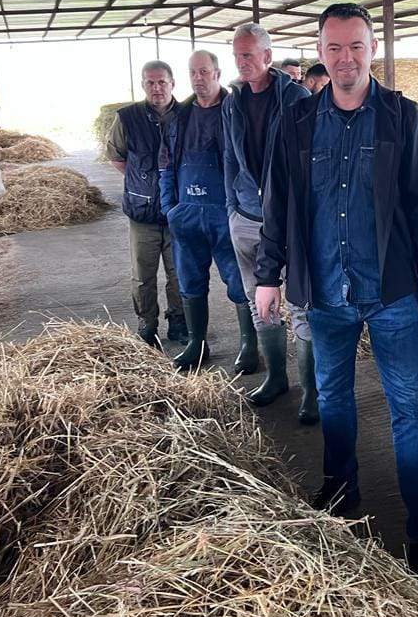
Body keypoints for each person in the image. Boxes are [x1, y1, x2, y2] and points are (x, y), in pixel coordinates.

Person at [254, 2, 418, 581]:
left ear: (373, 49)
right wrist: (268, 274)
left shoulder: (401, 116)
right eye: (334, 47)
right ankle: (340, 488)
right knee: (333, 396)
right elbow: (278, 201)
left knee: (410, 409)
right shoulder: (297, 120)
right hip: (326, 289)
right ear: (320, 53)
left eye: (356, 46)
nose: (345, 58)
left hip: (393, 289)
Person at [223, 24, 318, 424]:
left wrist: (303, 212)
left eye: (248, 55)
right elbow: (229, 157)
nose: (241, 63)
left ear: (267, 55)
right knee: (258, 298)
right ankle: (276, 377)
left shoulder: (296, 97)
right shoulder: (233, 102)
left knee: (300, 302)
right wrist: (232, 206)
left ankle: (311, 390)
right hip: (246, 215)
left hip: (290, 219)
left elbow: (309, 159)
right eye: (237, 56)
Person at [159, 50, 257, 372]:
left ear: (217, 73)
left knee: (239, 281)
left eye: (203, 72)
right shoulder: (178, 117)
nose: (198, 78)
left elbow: (248, 163)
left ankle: (249, 344)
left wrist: (239, 209)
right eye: (193, 73)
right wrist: (170, 208)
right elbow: (166, 165)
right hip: (187, 214)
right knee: (190, 280)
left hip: (225, 213)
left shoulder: (236, 111)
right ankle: (196, 343)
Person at [107, 60, 186, 347]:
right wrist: (142, 183)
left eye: (162, 82)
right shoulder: (127, 118)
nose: (156, 88)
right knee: (143, 274)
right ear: (142, 85)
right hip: (142, 211)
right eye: (150, 82)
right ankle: (147, 324)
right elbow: (116, 156)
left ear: (172, 83)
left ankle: (179, 321)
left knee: (180, 272)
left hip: (178, 210)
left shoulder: (187, 115)